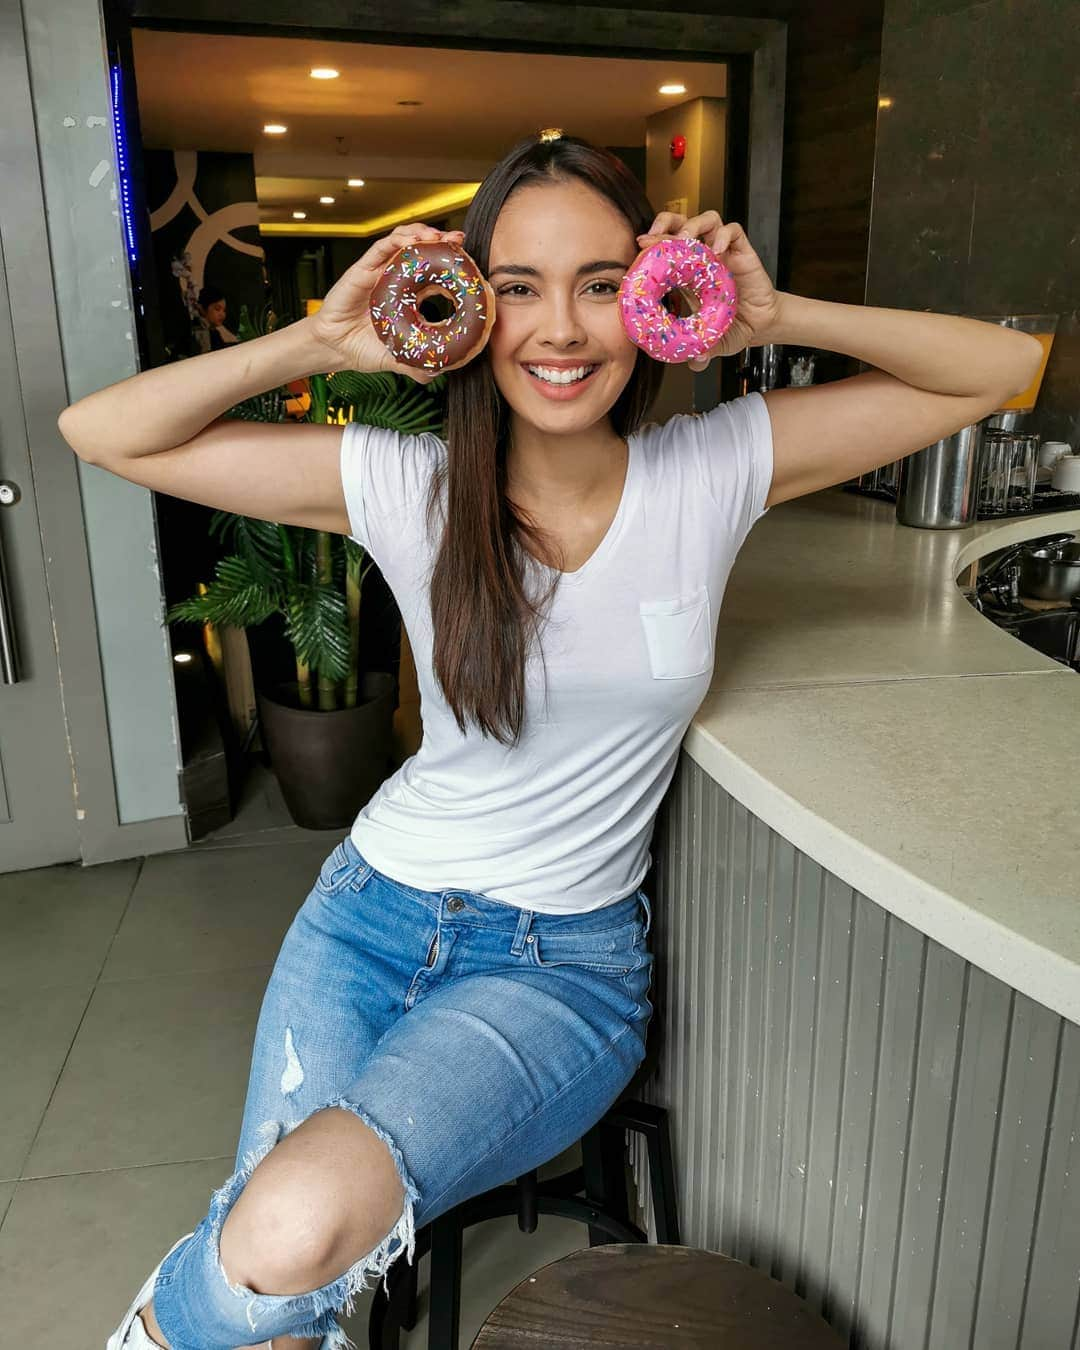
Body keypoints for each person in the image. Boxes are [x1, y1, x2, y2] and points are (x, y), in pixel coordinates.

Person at [57, 133, 1040, 1350]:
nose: (559, 331)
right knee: (287, 1306)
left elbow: (1001, 369)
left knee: (288, 1229)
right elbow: (103, 432)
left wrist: (778, 311)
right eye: (517, 287)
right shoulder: (406, 486)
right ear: (467, 312)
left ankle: (149, 1326)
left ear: (652, 299)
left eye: (597, 283)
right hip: (366, 916)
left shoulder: (717, 470)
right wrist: (321, 340)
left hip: (558, 968)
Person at [194, 284, 241, 354]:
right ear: (202, 309)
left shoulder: (214, 332)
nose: (222, 314)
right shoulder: (199, 332)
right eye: (217, 309)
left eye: (224, 310)